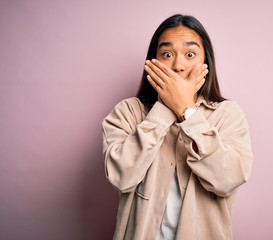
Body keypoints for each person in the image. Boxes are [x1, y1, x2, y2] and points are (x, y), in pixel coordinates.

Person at [102, 14, 253, 240]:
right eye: (167, 54)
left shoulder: (227, 114)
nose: (178, 66)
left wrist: (187, 112)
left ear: (206, 63)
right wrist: (166, 107)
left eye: (190, 54)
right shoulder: (128, 112)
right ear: (152, 62)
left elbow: (229, 179)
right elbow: (120, 176)